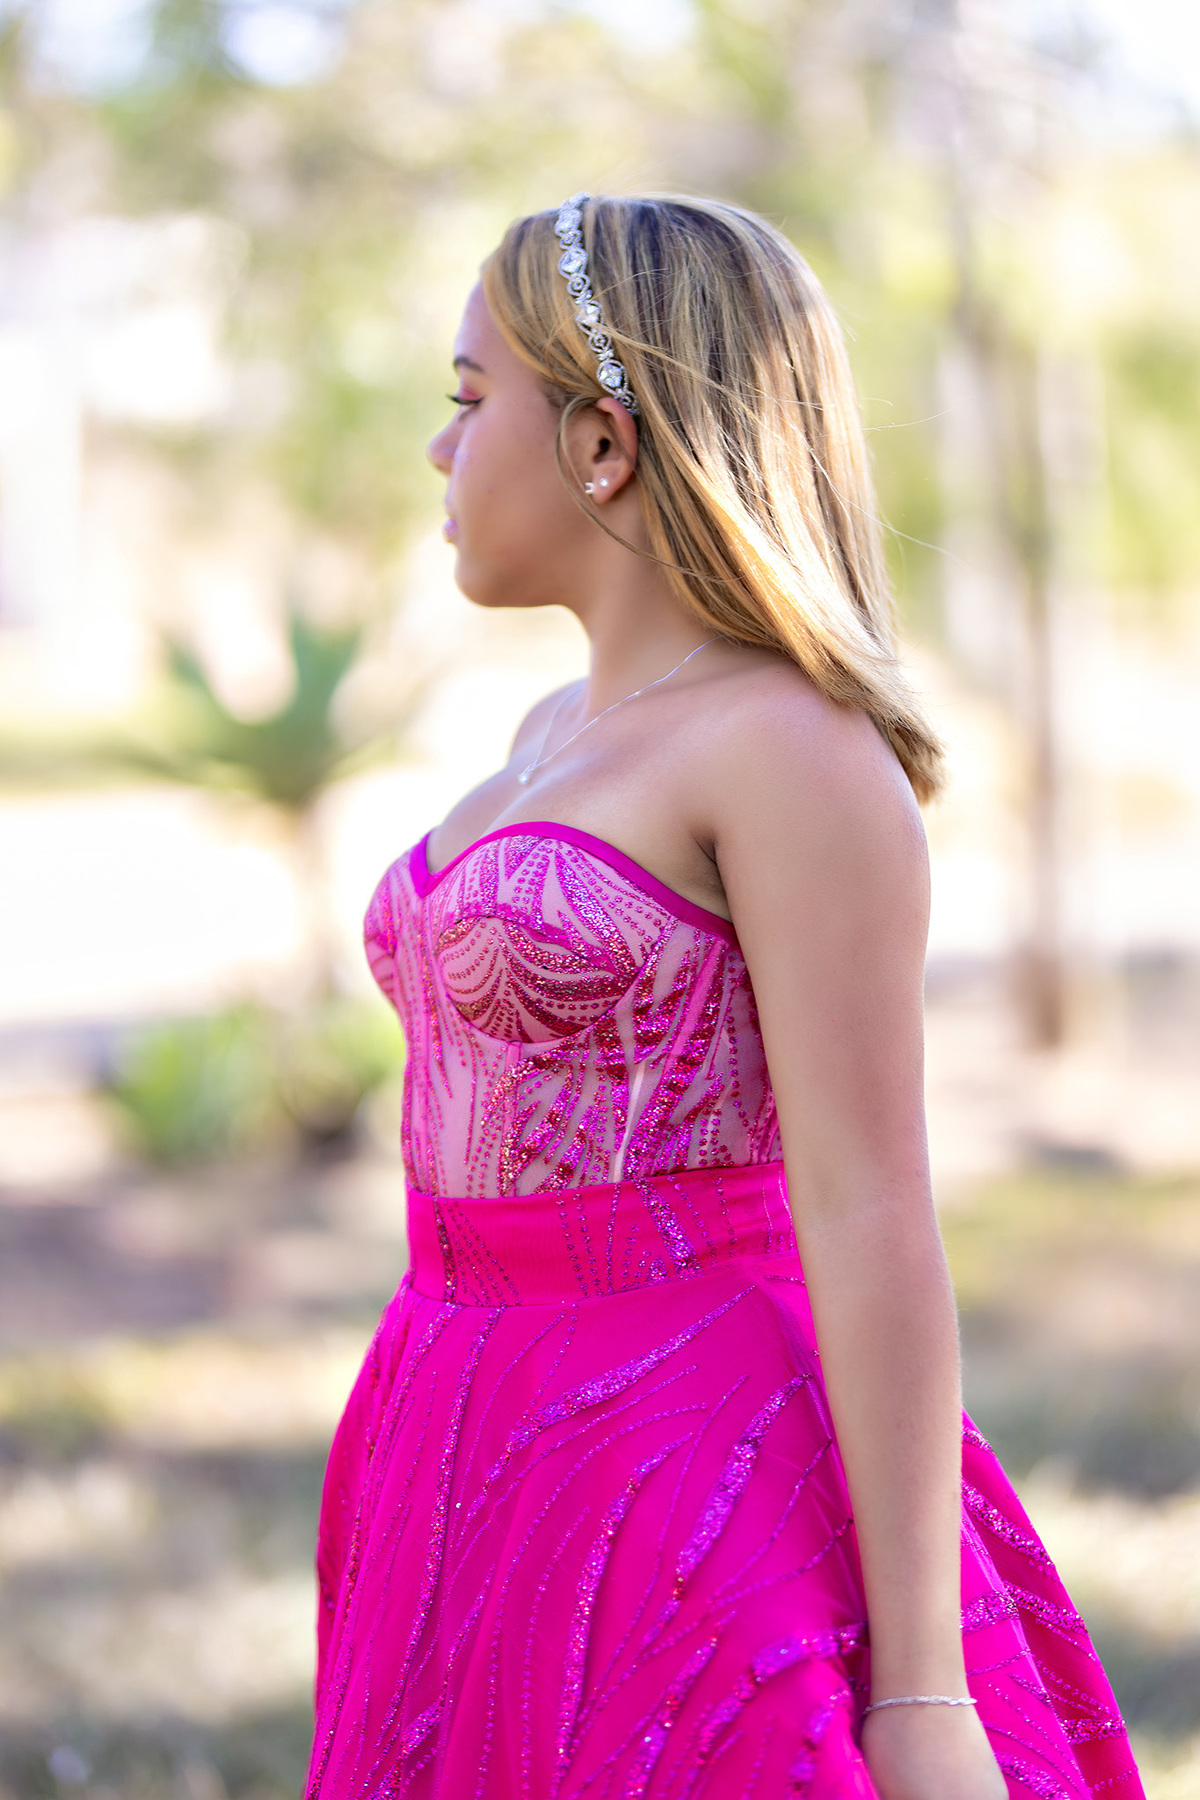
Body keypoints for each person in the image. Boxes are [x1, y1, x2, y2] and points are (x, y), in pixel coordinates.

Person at [307, 193, 1141, 1800]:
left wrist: (922, 1691)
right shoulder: (551, 732)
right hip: (452, 1409)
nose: (439, 446)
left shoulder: (792, 751)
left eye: (472, 398)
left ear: (603, 444)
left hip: (680, 1450)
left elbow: (871, 1203)